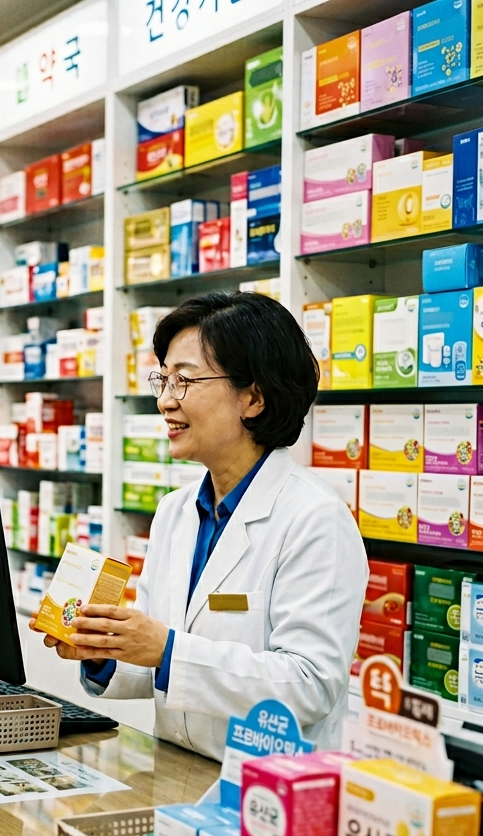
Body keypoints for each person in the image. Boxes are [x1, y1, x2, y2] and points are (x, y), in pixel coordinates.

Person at [37, 290, 367, 761]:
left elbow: (311, 684)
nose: (166, 402)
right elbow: (160, 665)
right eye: (163, 380)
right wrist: (105, 653)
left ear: (253, 397)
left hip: (267, 796)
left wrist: (167, 651)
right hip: (177, 773)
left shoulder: (315, 519)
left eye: (185, 381)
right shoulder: (176, 511)